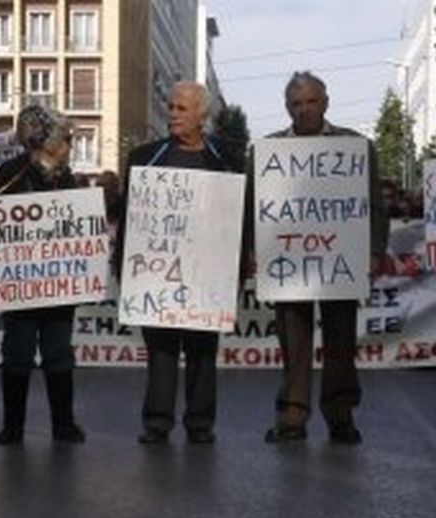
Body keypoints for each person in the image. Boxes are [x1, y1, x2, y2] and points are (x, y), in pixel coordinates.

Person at [259, 71, 384, 445]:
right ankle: (292, 419)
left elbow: (376, 206)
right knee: (293, 343)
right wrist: (253, 251)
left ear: (325, 103)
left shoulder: (356, 146)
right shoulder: (268, 153)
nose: (304, 110)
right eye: (296, 104)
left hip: (340, 262)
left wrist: (375, 251)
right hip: (288, 263)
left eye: (311, 102)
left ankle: (341, 417)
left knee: (341, 341)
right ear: (287, 108)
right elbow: (254, 206)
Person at [120, 80, 243, 444]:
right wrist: (125, 266)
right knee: (161, 350)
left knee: (204, 351)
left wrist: (240, 264)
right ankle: (157, 423)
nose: (172, 114)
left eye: (181, 108)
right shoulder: (145, 157)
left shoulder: (228, 160)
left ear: (202, 115)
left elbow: (240, 214)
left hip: (208, 274)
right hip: (159, 273)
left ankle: (200, 423)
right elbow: (130, 216)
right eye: (171, 107)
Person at [0, 104, 87, 445]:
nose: (69, 142)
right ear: (41, 138)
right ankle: (12, 427)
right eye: (63, 136)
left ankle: (64, 424)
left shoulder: (66, 176)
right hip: (20, 287)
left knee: (59, 354)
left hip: (57, 286)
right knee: (17, 354)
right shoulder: (10, 174)